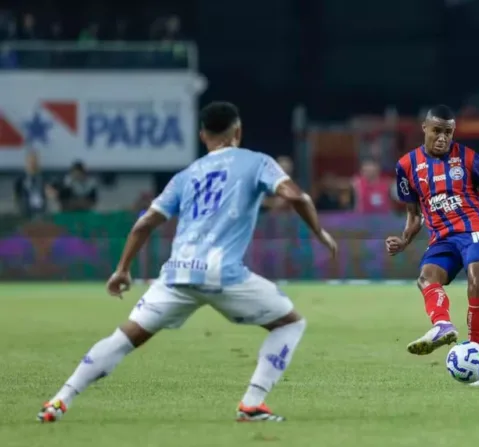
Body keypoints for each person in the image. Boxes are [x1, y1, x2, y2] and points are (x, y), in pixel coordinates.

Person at [37, 102, 338, 423]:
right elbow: (296, 196)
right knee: (290, 323)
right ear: (238, 131)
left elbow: (144, 223)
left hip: (177, 274)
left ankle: (60, 400)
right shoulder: (257, 161)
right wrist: (319, 233)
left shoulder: (186, 175)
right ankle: (252, 404)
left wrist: (122, 269)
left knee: (124, 338)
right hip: (223, 275)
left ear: (202, 135)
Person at [385, 105, 479, 386]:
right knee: (426, 279)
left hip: (474, 228)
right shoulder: (406, 166)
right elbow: (414, 215)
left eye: (448, 132)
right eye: (437, 131)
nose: (443, 137)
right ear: (425, 129)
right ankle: (442, 325)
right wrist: (404, 240)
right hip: (441, 236)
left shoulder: (468, 158)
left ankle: (476, 351)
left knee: (476, 279)